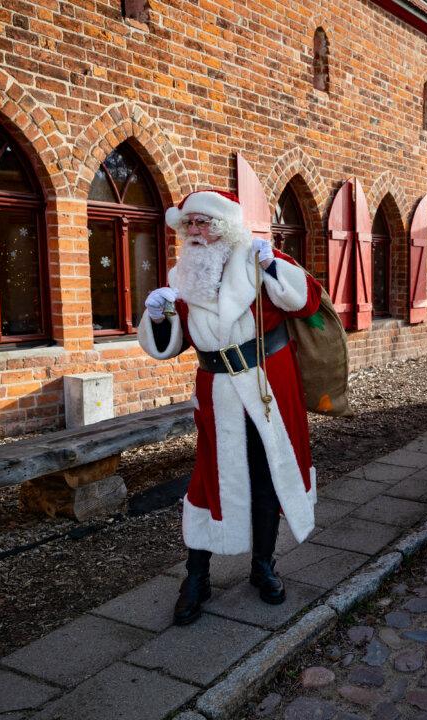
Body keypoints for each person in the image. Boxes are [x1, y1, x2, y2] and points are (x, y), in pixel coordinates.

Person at [138, 189, 323, 625]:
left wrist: (272, 266)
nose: (197, 232)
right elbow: (169, 345)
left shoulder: (259, 255)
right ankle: (196, 577)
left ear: (224, 224)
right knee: (208, 479)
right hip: (217, 392)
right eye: (189, 225)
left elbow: (308, 301)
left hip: (267, 388)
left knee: (267, 472)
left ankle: (263, 566)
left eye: (204, 222)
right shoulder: (183, 274)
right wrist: (160, 316)